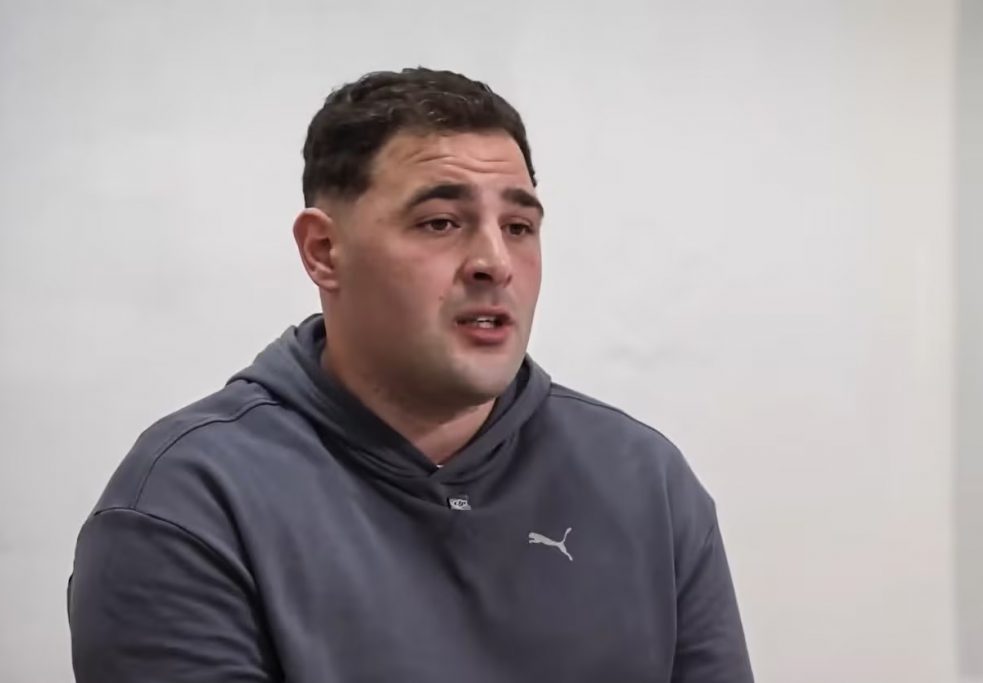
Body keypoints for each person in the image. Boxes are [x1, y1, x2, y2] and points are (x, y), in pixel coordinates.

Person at [68, 67, 754, 682]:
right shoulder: (188, 501)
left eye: (519, 227)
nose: (495, 263)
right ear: (324, 251)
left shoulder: (646, 481)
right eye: (441, 222)